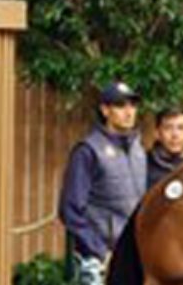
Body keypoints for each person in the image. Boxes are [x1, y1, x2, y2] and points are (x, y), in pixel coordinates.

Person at [59, 80, 149, 261]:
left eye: (132, 105)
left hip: (135, 254)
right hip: (100, 258)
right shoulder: (88, 150)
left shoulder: (139, 150)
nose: (129, 112)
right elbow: (70, 210)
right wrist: (99, 250)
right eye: (120, 105)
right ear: (105, 110)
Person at [146, 107, 183, 190]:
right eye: (168, 128)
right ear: (157, 133)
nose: (175, 134)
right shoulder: (143, 166)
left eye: (181, 128)